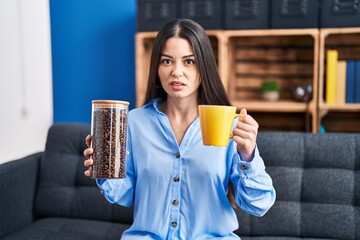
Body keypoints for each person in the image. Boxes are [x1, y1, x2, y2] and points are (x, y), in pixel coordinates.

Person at [83, 19, 276, 240]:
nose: (177, 72)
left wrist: (248, 156)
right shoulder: (134, 122)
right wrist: (105, 170)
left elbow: (259, 204)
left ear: (204, 67)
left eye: (189, 62)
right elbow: (127, 194)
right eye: (167, 61)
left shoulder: (229, 126)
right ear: (156, 67)